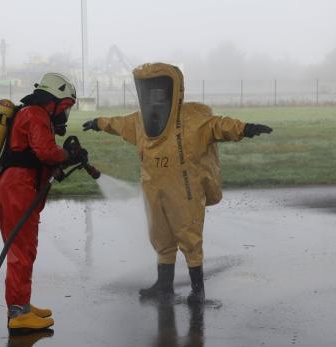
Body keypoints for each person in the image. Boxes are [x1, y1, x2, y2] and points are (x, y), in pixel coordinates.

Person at [82, 62, 272, 304]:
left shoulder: (192, 120)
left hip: (184, 188)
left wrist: (246, 128)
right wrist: (98, 123)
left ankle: (197, 289)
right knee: (160, 236)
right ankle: (164, 286)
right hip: (153, 188)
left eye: (161, 96)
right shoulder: (140, 121)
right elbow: (118, 123)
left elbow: (218, 125)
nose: (156, 102)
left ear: (173, 93)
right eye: (152, 95)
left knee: (189, 236)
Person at [0, 73, 85, 333]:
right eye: (65, 107)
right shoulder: (35, 114)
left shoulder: (33, 114)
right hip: (17, 189)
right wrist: (67, 154)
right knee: (21, 252)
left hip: (18, 187)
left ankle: (22, 305)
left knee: (25, 249)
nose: (64, 115)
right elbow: (45, 151)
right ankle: (18, 314)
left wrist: (60, 163)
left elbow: (37, 156)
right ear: (53, 101)